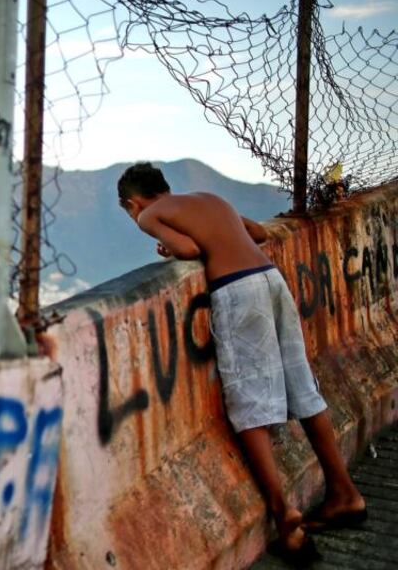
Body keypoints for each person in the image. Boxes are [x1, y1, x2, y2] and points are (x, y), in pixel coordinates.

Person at [115, 162, 365, 562]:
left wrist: (167, 246)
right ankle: (344, 493)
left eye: (131, 212)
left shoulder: (149, 214)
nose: (135, 218)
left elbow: (190, 250)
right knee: (303, 388)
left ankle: (285, 516)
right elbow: (261, 233)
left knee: (248, 407)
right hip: (271, 280)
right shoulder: (210, 199)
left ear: (132, 203)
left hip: (237, 291)